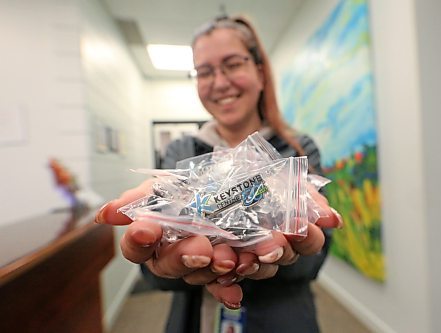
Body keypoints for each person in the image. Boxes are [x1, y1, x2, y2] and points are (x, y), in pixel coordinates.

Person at [95, 15, 343, 333]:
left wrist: (250, 255)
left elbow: (313, 260)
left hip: (282, 318)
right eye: (205, 71)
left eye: (233, 64)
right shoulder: (182, 150)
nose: (220, 82)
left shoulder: (298, 147)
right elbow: (153, 272)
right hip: (196, 318)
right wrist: (170, 255)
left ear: (260, 71)